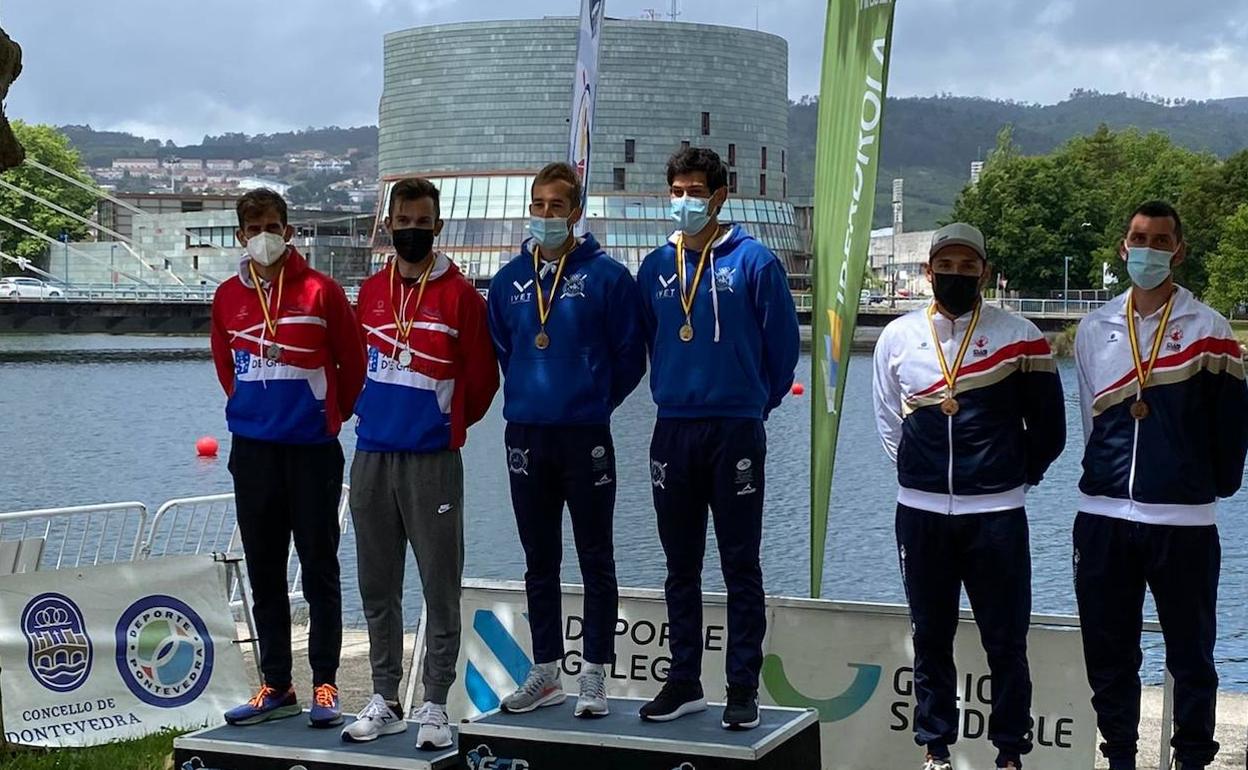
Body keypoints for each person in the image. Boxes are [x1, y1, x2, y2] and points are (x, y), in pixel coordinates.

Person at [872, 223, 1065, 770]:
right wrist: (917, 470)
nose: (956, 276)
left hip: (997, 514)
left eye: (967, 267)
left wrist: (1010, 479)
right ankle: (935, 748)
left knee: (1006, 640)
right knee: (930, 636)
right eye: (946, 267)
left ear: (984, 271)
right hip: (922, 512)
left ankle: (1009, 753)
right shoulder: (898, 336)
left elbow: (1049, 429)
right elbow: (889, 421)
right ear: (928, 272)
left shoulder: (1022, 336)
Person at [1074, 201, 1248, 770]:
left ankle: (1192, 760)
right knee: (1109, 653)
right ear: (1124, 247)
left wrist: (1201, 486)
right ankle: (1119, 756)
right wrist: (1104, 477)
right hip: (1103, 516)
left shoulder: (1212, 331)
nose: (1148, 248)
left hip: (1183, 522)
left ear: (1179, 250)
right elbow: (1089, 420)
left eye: (1161, 239)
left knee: (1192, 656)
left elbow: (1231, 431)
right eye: (1138, 238)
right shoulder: (1094, 327)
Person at [634, 146, 799, 730]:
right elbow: (645, 341)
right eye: (676, 191)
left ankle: (741, 686)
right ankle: (683, 681)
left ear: (720, 196)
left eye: (695, 191)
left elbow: (783, 352)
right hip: (672, 428)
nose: (684, 201)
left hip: (735, 430)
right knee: (680, 564)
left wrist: (754, 403)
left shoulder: (754, 262)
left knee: (739, 563)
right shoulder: (654, 267)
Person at [342, 177, 499, 749]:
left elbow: (482, 381)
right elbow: (355, 365)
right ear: (389, 225)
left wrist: (446, 426)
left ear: (438, 225)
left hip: (432, 460)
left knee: (440, 586)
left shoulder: (462, 297)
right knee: (377, 586)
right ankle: (385, 697)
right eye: (402, 221)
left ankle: (434, 703)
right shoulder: (370, 291)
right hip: (372, 456)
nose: (411, 229)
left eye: (421, 221)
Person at [487, 162, 647, 718]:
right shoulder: (507, 281)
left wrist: (595, 400)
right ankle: (546, 670)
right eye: (539, 205)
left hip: (586, 436)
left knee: (596, 556)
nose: (547, 215)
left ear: (576, 212)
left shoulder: (608, 278)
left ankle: (596, 675)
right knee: (539, 559)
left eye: (557, 206)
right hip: (527, 434)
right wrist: (535, 395)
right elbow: (505, 351)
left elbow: (631, 356)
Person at [210, 188, 366, 729]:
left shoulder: (322, 292)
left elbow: (353, 363)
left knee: (320, 568)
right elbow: (226, 367)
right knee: (264, 570)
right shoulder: (228, 295)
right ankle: (277, 685)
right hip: (253, 449)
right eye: (252, 227)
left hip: (312, 450)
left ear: (290, 231)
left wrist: (328, 417)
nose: (263, 236)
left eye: (272, 225)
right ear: (240, 235)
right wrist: (253, 412)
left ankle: (326, 683)